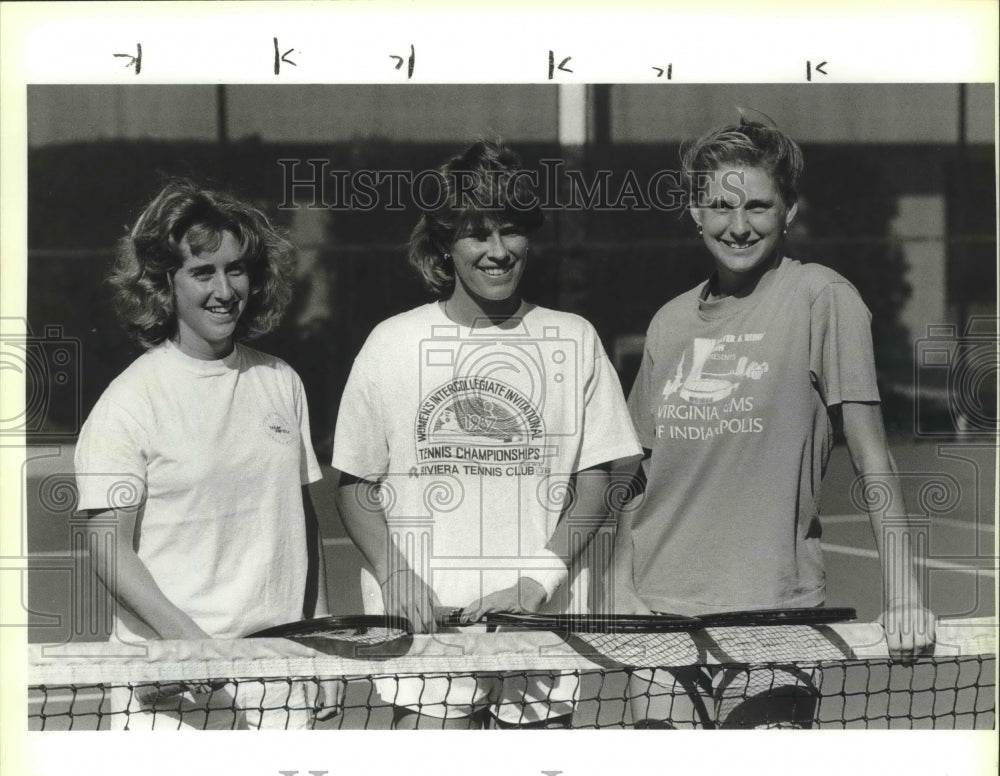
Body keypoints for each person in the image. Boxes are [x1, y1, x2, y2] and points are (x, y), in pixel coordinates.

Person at [615, 113, 935, 728]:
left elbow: (873, 456)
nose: (739, 227)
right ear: (695, 212)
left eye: (759, 206)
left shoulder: (822, 297)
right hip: (658, 614)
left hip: (774, 616)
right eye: (720, 207)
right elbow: (638, 471)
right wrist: (620, 589)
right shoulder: (668, 323)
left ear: (788, 211)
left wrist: (904, 592)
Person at [332, 141, 641, 728]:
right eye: (477, 234)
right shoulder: (391, 343)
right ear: (445, 244)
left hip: (539, 629)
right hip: (427, 636)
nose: (498, 252)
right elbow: (354, 483)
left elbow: (595, 481)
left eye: (510, 231)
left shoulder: (573, 339)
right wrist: (395, 573)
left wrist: (535, 583)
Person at [74, 178, 340, 729]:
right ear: (163, 285)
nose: (224, 289)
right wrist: (188, 642)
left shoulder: (281, 381)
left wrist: (324, 641)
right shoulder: (129, 401)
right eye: (202, 272)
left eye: (235, 268)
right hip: (174, 690)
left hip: (276, 676)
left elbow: (302, 525)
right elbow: (108, 549)